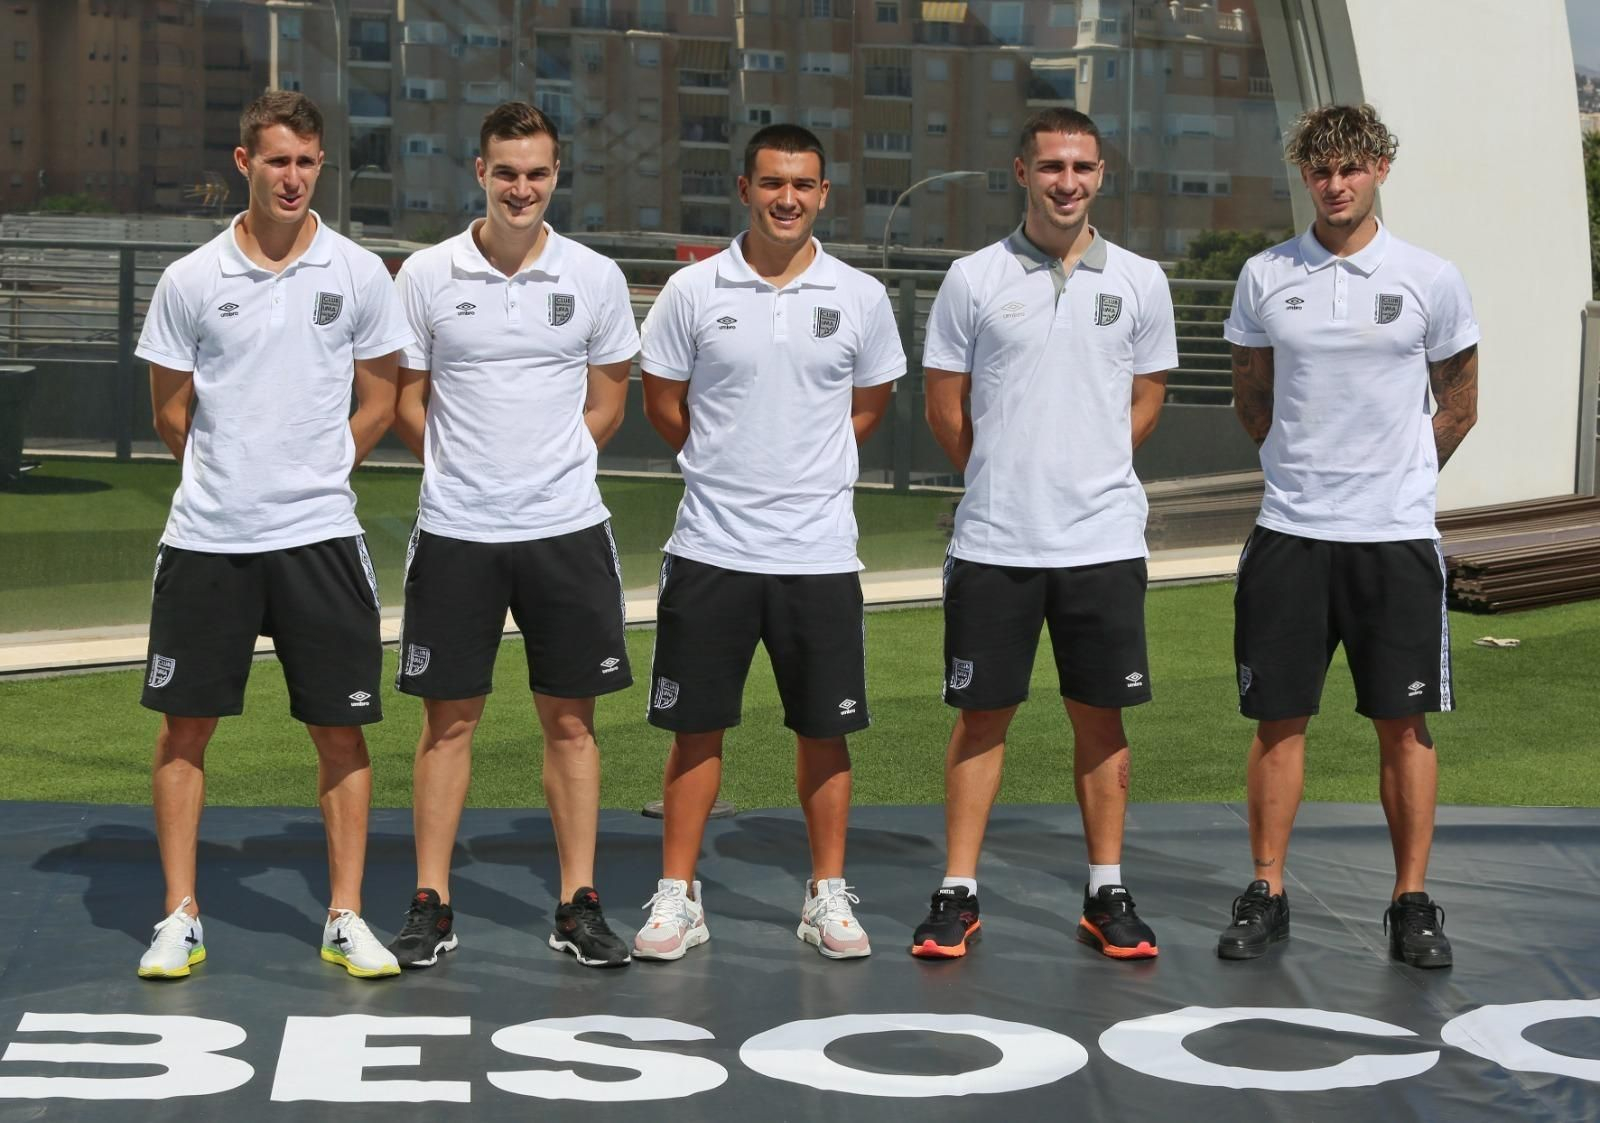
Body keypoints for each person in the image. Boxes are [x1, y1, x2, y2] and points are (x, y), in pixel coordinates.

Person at [133, 91, 410, 980]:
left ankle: (345, 915)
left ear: (320, 166)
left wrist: (321, 468)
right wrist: (236, 473)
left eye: (307, 162)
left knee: (341, 731)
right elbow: (172, 414)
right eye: (277, 160)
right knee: (185, 732)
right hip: (208, 539)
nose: (293, 177)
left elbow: (378, 397)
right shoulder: (190, 280)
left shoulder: (361, 273)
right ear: (243, 163)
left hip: (321, 539)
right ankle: (180, 915)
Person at [631, 123, 906, 962]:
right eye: (773, 182)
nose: (788, 197)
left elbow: (869, 405)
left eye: (804, 184)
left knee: (825, 731)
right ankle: (679, 895)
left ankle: (826, 893)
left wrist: (801, 476)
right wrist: (724, 465)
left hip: (818, 557)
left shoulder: (859, 295)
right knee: (695, 730)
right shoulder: (692, 291)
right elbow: (664, 403)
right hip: (711, 548)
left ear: (825, 195)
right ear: (745, 188)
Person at [1217, 103, 1479, 968]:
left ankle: (1411, 901)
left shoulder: (1431, 277)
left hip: (1395, 540)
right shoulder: (1264, 275)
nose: (1336, 183)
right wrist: (1308, 472)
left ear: (1380, 171)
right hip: (1290, 531)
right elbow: (1252, 398)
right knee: (1277, 722)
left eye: (1353, 167)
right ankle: (1268, 888)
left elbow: (1460, 403)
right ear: (1306, 176)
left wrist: (1393, 478)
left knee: (1403, 726)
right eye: (1322, 170)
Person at [911, 108, 1176, 961]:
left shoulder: (1140, 280)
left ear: (1101, 174)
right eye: (1052, 165)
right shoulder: (972, 278)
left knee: (1102, 721)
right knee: (980, 718)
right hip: (995, 543)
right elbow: (945, 405)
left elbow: (1145, 397)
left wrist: (1086, 465)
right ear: (1021, 171)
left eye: (1084, 167)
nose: (1069, 181)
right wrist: (1004, 473)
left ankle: (1107, 890)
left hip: (1102, 542)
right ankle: (958, 890)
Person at [385, 102, 640, 970]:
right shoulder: (424, 274)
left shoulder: (595, 277)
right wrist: (462, 470)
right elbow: (407, 397)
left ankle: (579, 903)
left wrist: (550, 464)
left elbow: (607, 398)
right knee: (446, 725)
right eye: (506, 171)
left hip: (566, 531)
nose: (521, 187)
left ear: (555, 176)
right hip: (455, 531)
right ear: (479, 172)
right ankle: (431, 901)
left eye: (536, 173)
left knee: (571, 724)